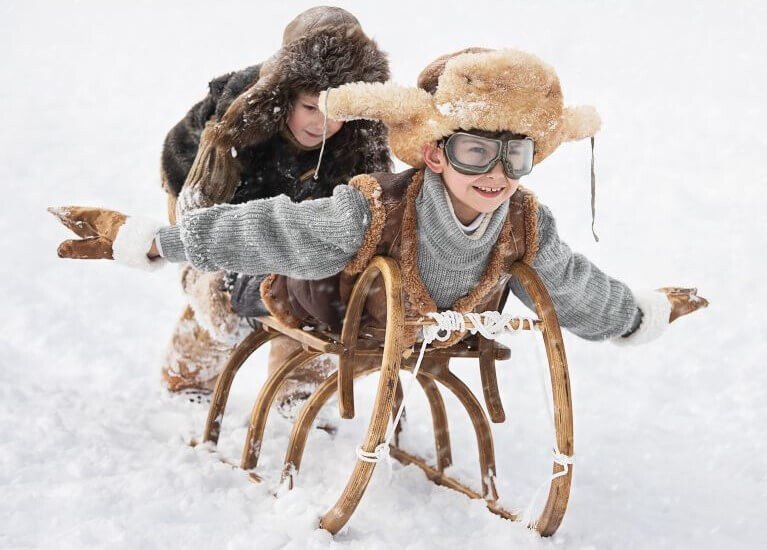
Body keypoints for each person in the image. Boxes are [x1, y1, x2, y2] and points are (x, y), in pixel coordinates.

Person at [52, 48, 707, 365]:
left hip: (429, 333)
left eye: (518, 157)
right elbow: (274, 227)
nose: (498, 175)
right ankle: (208, 298)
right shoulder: (374, 209)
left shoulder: (525, 222)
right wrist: (159, 242)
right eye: (478, 153)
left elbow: (570, 284)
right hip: (326, 306)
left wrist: (637, 316)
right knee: (238, 292)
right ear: (435, 154)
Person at [156, 6, 392, 404]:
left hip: (298, 236)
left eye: (337, 112)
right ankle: (189, 378)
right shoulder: (235, 121)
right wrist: (226, 260)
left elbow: (370, 212)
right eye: (310, 107)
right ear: (285, 97)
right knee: (218, 291)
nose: (322, 124)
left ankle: (299, 390)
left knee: (322, 293)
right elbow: (197, 215)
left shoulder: (359, 137)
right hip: (218, 216)